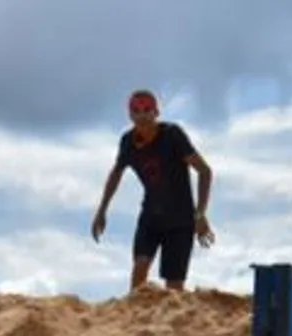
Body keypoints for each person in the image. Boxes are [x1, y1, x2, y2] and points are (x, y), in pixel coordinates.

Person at [91, 89, 215, 292]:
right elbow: (115, 174)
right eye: (136, 111)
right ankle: (132, 321)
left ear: (156, 112)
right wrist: (102, 210)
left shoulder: (172, 136)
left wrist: (200, 214)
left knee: (174, 286)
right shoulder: (128, 143)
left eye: (147, 110)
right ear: (130, 115)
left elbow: (204, 171)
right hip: (151, 217)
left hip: (181, 221)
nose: (142, 115)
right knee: (139, 269)